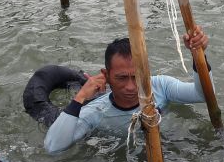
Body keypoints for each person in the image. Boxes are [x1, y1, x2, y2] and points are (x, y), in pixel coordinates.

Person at [43, 29, 211, 154]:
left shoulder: (160, 86)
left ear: (146, 71)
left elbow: (202, 95)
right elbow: (54, 148)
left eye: (136, 77)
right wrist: (80, 98)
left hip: (168, 147)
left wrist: (198, 55)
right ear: (106, 76)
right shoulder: (96, 112)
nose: (130, 87)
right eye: (122, 78)